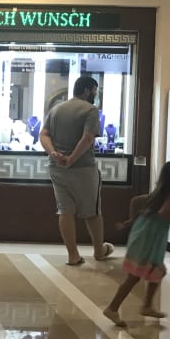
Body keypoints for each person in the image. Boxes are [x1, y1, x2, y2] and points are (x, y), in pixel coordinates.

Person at [104, 162, 170, 327]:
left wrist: (128, 222)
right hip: (150, 241)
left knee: (156, 272)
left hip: (144, 236)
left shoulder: (158, 194)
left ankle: (147, 306)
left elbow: (139, 204)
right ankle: (113, 308)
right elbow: (164, 213)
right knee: (135, 277)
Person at [39, 75, 114, 266]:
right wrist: (71, 159)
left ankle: (73, 256)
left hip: (57, 168)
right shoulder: (90, 110)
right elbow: (88, 138)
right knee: (92, 211)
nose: (96, 95)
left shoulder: (56, 109)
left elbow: (44, 134)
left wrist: (54, 153)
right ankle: (99, 251)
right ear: (87, 90)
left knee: (65, 211)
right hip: (83, 169)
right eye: (95, 91)